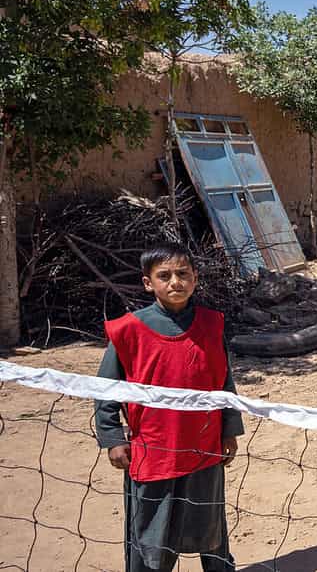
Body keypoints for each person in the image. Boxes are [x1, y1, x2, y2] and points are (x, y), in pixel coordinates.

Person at [94, 243, 243, 572]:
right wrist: (113, 438)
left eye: (183, 274)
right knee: (150, 532)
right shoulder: (129, 329)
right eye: (164, 276)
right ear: (148, 283)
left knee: (210, 522)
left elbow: (224, 383)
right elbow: (106, 389)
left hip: (204, 446)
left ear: (195, 278)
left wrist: (229, 430)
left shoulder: (210, 324)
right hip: (153, 450)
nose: (175, 281)